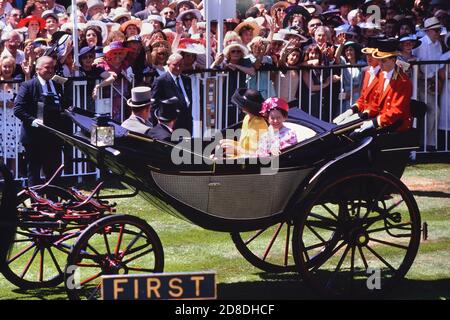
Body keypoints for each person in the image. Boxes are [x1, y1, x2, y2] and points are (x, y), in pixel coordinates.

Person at [14, 56, 66, 186]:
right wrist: (33, 121)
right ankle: (36, 204)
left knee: (54, 172)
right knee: (34, 172)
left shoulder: (57, 86)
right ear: (37, 69)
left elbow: (62, 106)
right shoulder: (28, 86)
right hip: (34, 137)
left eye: (52, 68)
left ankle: (54, 203)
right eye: (47, 68)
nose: (50, 71)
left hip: (53, 137)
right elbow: (18, 109)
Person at [355, 38, 413, 134]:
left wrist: (374, 122)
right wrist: (365, 113)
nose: (380, 64)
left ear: (393, 60)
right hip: (383, 121)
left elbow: (397, 110)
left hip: (397, 125)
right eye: (379, 61)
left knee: (357, 136)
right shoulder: (382, 74)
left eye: (383, 61)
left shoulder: (403, 81)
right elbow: (376, 101)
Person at [333, 37, 382, 125]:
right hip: (346, 97)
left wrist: (351, 92)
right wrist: (341, 45)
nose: (349, 52)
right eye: (347, 50)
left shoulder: (361, 65)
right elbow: (336, 58)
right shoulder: (345, 63)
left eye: (351, 50)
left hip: (357, 95)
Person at [219, 88, 268, 158]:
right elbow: (244, 145)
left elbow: (256, 154)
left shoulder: (260, 124)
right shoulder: (247, 118)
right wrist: (229, 144)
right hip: (241, 156)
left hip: (249, 162)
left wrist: (235, 148)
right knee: (222, 143)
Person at [151, 53, 193, 134]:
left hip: (187, 124)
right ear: (168, 64)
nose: (178, 68)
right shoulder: (161, 81)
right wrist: (158, 126)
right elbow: (154, 105)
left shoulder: (187, 80)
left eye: (181, 65)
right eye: (175, 65)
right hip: (171, 126)